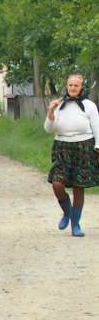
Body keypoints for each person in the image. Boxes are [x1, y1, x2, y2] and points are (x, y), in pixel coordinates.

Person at [44, 73, 99, 237]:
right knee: (57, 183)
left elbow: (97, 127)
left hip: (84, 147)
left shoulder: (89, 105)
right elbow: (48, 129)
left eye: (76, 85)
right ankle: (67, 212)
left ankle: (76, 224)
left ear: (82, 87)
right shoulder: (59, 104)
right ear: (66, 86)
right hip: (62, 147)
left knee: (78, 187)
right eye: (70, 85)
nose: (73, 88)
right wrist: (51, 112)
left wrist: (98, 147)